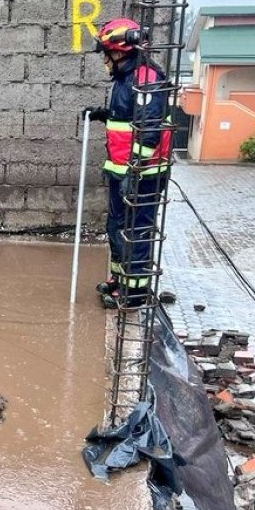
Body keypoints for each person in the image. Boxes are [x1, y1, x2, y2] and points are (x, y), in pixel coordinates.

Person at [84, 18, 173, 309]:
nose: (104, 61)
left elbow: (149, 130)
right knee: (116, 226)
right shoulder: (126, 79)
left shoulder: (146, 79)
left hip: (142, 173)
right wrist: (104, 114)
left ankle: (135, 293)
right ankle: (121, 280)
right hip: (122, 170)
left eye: (105, 54)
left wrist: (134, 171)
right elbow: (127, 117)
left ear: (119, 52)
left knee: (136, 231)